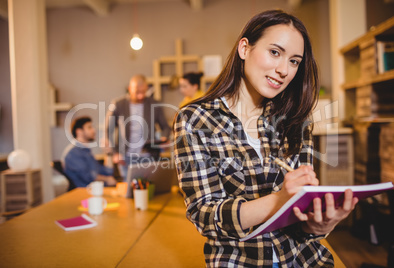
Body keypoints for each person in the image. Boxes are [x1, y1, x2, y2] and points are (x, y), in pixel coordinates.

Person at [173, 10, 358, 267]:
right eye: (275, 52)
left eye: (294, 61)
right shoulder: (195, 119)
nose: (284, 69)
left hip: (303, 260)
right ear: (244, 48)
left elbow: (301, 222)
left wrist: (319, 224)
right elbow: (204, 215)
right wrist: (280, 199)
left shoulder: (296, 118)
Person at [106, 74, 171, 179]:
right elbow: (108, 130)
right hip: (126, 157)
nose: (140, 96)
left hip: (149, 156)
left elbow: (166, 127)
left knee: (150, 189)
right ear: (129, 89)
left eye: (143, 92)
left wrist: (164, 138)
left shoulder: (154, 104)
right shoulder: (118, 104)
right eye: (137, 92)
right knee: (129, 191)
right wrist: (114, 153)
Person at [62, 116, 117, 188]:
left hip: (97, 190)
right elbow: (89, 177)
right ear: (79, 131)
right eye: (89, 127)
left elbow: (107, 172)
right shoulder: (73, 153)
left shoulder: (86, 152)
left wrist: (108, 153)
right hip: (85, 193)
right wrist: (107, 179)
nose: (94, 130)